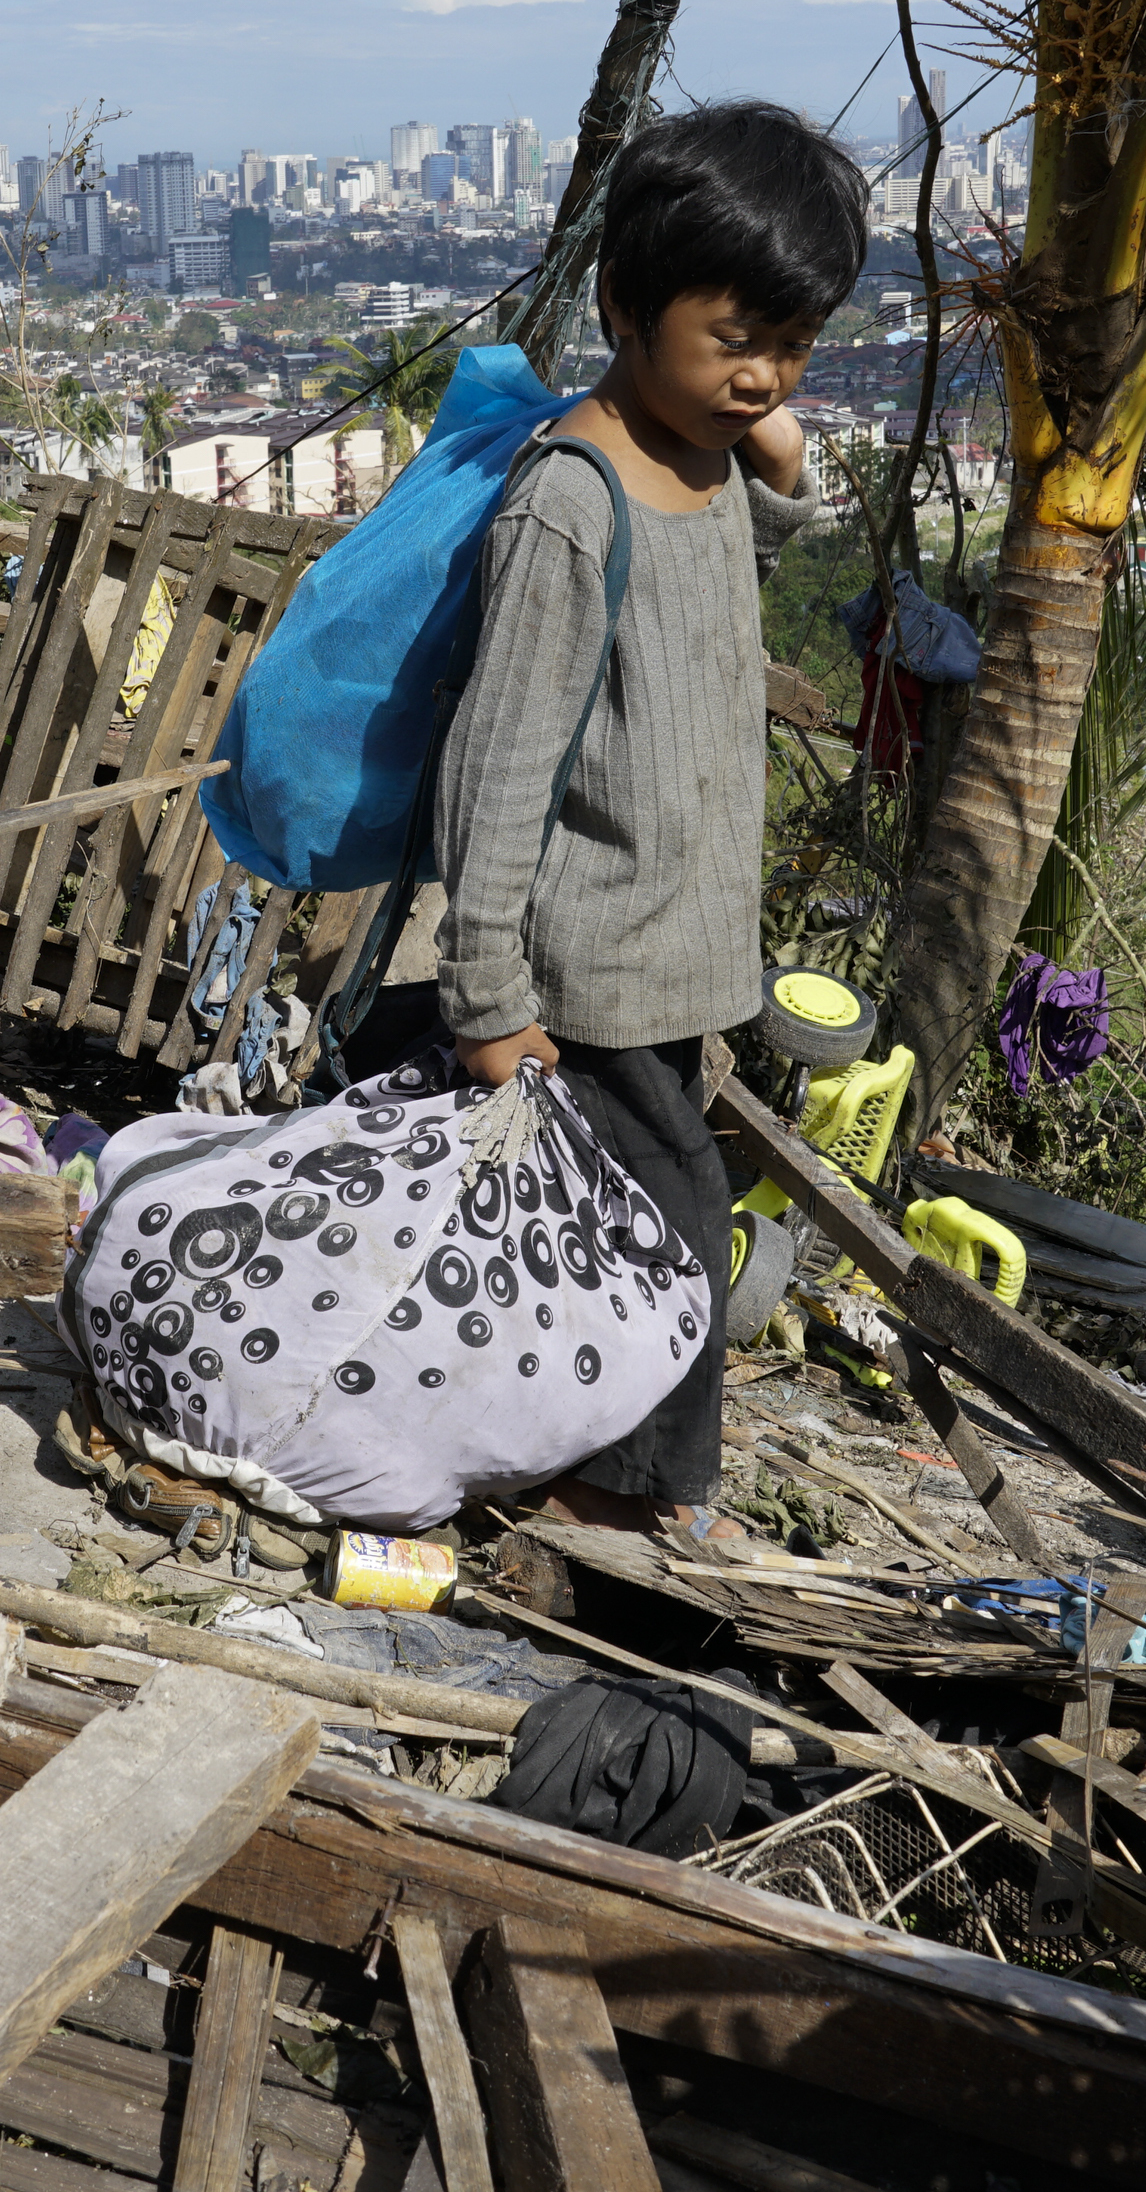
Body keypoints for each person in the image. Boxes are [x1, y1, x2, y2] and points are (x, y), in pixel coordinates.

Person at [434, 99, 863, 1546]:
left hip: (675, 954)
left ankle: (585, 1464)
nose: (767, 377)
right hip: (588, 963)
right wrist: (488, 992)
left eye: (794, 347)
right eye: (737, 338)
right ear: (625, 304)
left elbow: (724, 559)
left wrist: (784, 475)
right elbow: (498, 767)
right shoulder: (570, 498)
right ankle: (648, 1494)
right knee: (671, 1214)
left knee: (608, 1229)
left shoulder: (706, 459)